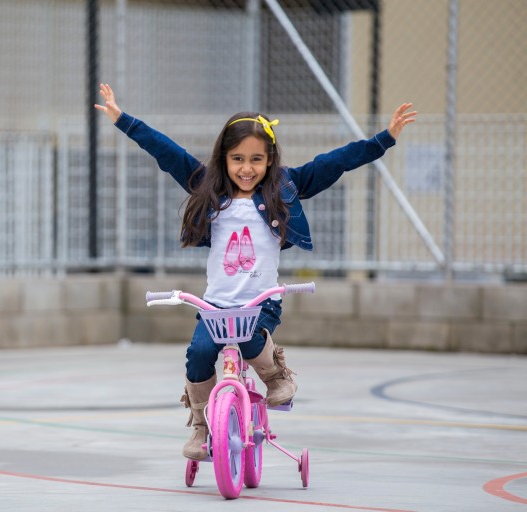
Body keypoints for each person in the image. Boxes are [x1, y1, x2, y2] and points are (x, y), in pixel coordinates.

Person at [94, 83, 416, 461]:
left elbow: (335, 162)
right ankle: (201, 424)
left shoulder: (285, 188)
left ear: (270, 160)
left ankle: (275, 375)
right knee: (198, 355)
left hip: (261, 304)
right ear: (224, 159)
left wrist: (384, 140)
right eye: (237, 159)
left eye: (256, 160)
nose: (246, 169)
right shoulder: (209, 189)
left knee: (248, 338)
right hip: (215, 306)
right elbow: (167, 153)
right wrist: (123, 120)